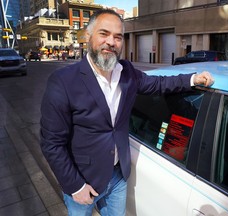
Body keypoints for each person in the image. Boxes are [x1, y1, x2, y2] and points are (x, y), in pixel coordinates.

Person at [40, 9, 214, 216]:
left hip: (118, 177)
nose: (111, 42)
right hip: (83, 180)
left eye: (118, 37)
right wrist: (75, 186)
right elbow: (51, 143)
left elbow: (158, 84)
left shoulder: (127, 73)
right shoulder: (63, 81)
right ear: (88, 36)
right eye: (103, 34)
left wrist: (192, 80)